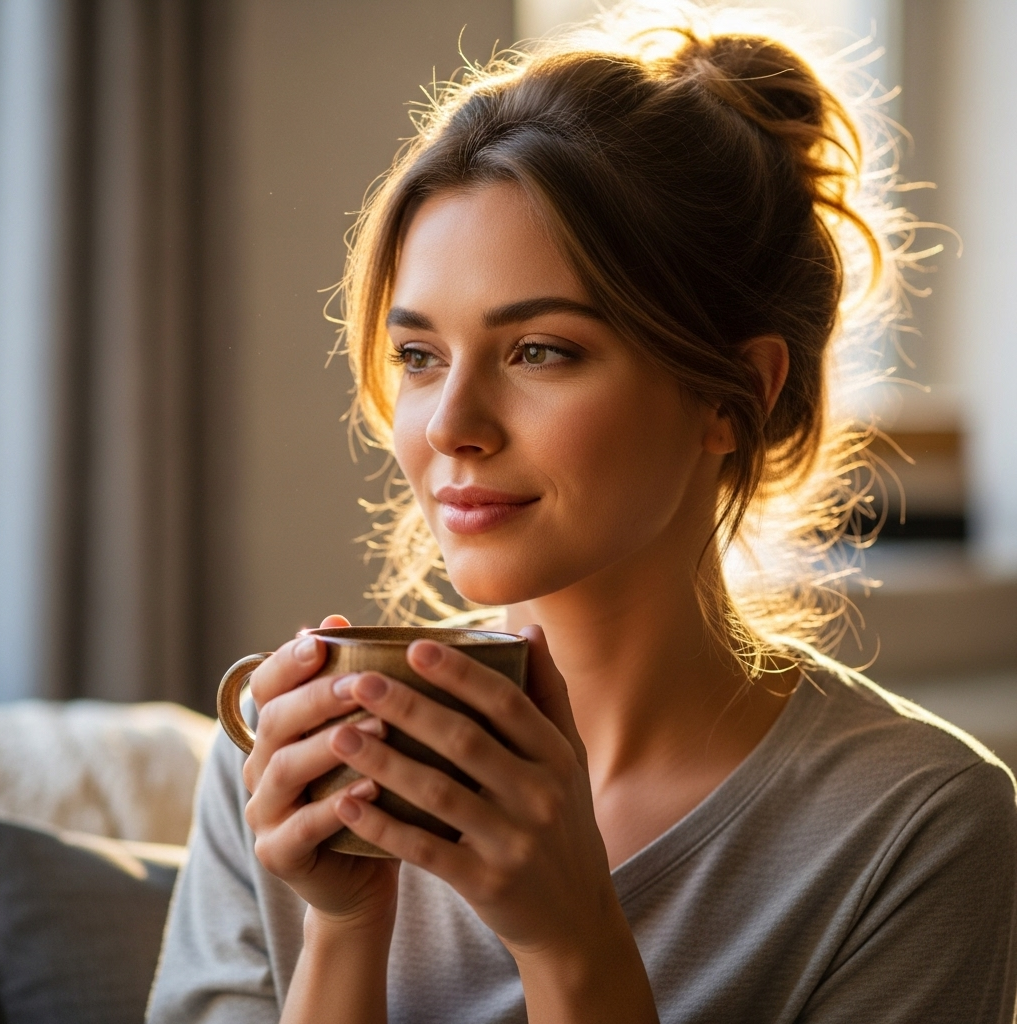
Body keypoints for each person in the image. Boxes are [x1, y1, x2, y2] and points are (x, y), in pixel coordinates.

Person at [147, 4, 1017, 1022]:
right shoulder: (282, 756)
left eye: (539, 351)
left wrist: (567, 937)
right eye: (420, 356)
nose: (449, 427)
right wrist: (342, 928)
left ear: (731, 395)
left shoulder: (914, 827)